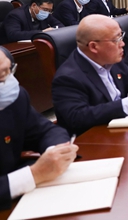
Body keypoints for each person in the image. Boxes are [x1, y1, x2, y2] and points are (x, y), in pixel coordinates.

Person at [0, 46, 78, 210]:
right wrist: (34, 174)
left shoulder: (15, 97)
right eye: (1, 76)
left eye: (9, 70)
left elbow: (45, 130)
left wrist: (56, 150)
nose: (9, 82)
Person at [51, 15, 128, 135]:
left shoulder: (110, 58)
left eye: (121, 36)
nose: (122, 44)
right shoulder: (67, 77)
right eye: (116, 40)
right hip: (95, 138)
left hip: (125, 127)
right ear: (94, 46)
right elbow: (77, 117)